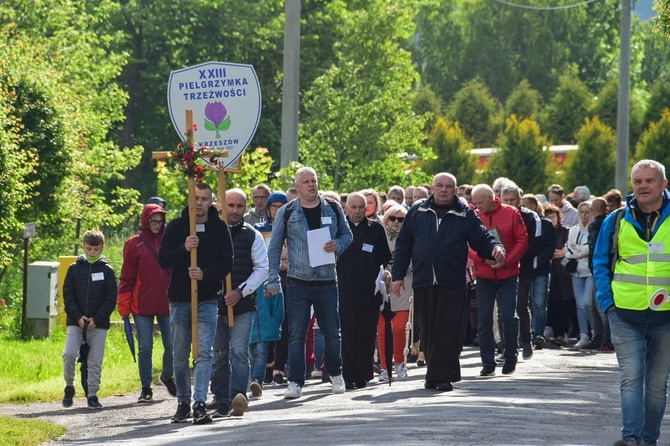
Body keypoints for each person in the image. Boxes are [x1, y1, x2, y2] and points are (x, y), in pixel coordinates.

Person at [392, 173, 505, 391]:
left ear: (455, 190)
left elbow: (483, 238)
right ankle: (434, 374)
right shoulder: (418, 211)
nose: (444, 190)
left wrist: (496, 248)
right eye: (440, 186)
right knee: (428, 330)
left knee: (448, 330)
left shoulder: (465, 213)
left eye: (449, 186)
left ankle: (442, 377)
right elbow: (403, 245)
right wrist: (397, 276)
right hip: (424, 280)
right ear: (432, 188)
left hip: (453, 281)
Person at [593, 160, 670, 446]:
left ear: (663, 184)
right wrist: (607, 302)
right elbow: (600, 261)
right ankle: (632, 439)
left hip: (666, 317)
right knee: (631, 378)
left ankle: (648, 440)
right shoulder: (616, 219)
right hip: (624, 314)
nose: (643, 186)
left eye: (650, 180)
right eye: (638, 181)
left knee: (656, 385)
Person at [265, 167, 352, 399]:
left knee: (332, 331)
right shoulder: (287, 212)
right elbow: (274, 248)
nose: (311, 185)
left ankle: (335, 374)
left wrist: (338, 245)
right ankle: (295, 381)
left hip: (326, 280)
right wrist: (272, 278)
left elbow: (347, 235)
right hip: (297, 282)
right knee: (296, 333)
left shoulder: (332, 208)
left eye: (314, 180)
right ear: (297, 186)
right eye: (306, 182)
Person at [159, 182, 234, 425]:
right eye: (196, 198)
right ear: (190, 200)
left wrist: (205, 274)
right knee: (179, 354)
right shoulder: (177, 226)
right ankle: (183, 402)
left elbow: (227, 263)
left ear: (211, 201)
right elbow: (163, 259)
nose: (200, 202)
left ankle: (199, 402)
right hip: (180, 298)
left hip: (207, 298)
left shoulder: (220, 228)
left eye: (204, 198)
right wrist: (184, 248)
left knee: (203, 352)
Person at [210, 189, 268, 418]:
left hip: (242, 305)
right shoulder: (212, 233)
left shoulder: (252, 234)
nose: (235, 210)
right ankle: (220, 397)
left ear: (246, 208)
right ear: (223, 206)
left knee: (238, 351)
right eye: (231, 205)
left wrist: (240, 292)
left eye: (239, 206)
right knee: (219, 353)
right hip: (214, 303)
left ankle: (237, 396)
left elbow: (262, 269)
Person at [118, 204, 176, 403]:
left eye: (160, 221)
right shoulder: (134, 244)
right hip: (142, 304)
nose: (157, 225)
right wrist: (123, 304)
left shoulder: (171, 240)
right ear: (145, 220)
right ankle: (145, 387)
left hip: (168, 301)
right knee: (145, 346)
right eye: (153, 221)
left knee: (172, 344)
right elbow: (126, 277)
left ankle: (167, 375)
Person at [470, 184, 528, 377]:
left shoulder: (511, 213)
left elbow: (522, 240)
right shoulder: (475, 215)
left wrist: (507, 261)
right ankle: (488, 363)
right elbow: (467, 243)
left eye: (479, 202)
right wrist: (482, 259)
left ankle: (510, 355)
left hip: (508, 275)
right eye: (474, 202)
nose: (476, 205)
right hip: (485, 276)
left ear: (491, 198)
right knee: (484, 320)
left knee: (509, 316)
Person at [337, 192, 391, 389]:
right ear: (346, 208)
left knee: (367, 333)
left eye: (362, 207)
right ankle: (348, 375)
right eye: (354, 207)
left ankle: (364, 374)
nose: (358, 211)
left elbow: (387, 257)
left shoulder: (376, 229)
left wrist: (388, 272)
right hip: (343, 290)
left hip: (369, 291)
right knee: (348, 332)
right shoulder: (338, 228)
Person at [62, 230, 117, 409]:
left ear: (102, 248)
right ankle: (69, 386)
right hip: (76, 322)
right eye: (89, 249)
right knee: (69, 354)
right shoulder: (74, 269)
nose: (92, 252)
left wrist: (97, 319)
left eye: (96, 249)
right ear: (84, 247)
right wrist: (78, 317)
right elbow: (67, 295)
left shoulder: (107, 271)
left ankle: (92, 394)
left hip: (98, 324)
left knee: (95, 361)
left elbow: (110, 299)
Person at [500, 183, 542, 360]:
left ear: (519, 199)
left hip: (523, 268)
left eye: (512, 199)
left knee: (520, 305)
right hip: (501, 268)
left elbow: (535, 245)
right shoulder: (497, 215)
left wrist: (513, 255)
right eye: (506, 200)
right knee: (503, 310)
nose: (509, 203)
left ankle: (526, 340)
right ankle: (507, 347)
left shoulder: (531, 217)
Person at [254, 191, 290, 386]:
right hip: (265, 281)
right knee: (266, 322)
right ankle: (266, 366)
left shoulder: (291, 229)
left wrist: (285, 263)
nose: (277, 210)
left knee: (284, 324)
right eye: (273, 206)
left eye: (280, 206)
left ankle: (279, 368)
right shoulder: (259, 229)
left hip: (288, 280)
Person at [378, 203, 411, 382]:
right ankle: (384, 368)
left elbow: (416, 259)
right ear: (386, 219)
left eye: (401, 219)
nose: (396, 222)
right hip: (381, 286)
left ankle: (400, 364)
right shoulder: (379, 235)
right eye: (393, 218)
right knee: (382, 331)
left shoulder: (411, 236)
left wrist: (398, 267)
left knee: (399, 328)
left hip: (403, 286)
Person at [520, 194, 555, 349]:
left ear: (534, 206)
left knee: (539, 303)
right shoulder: (521, 222)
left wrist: (537, 261)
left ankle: (538, 334)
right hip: (523, 268)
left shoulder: (546, 224)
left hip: (540, 269)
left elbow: (549, 246)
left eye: (526, 205)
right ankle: (524, 333)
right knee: (523, 303)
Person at [544, 205, 575, 346]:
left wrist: (563, 251)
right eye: (548, 216)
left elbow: (570, 246)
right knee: (552, 303)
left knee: (565, 303)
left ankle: (563, 333)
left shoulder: (565, 231)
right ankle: (555, 332)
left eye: (553, 216)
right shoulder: (545, 231)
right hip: (550, 271)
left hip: (564, 272)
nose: (551, 219)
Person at [565, 201, 593, 349]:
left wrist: (580, 251)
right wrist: (580, 251)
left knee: (588, 303)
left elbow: (590, 249)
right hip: (576, 271)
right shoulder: (574, 230)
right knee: (579, 304)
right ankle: (584, 335)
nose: (584, 215)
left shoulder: (594, 229)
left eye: (587, 212)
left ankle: (595, 332)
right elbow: (569, 249)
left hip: (589, 271)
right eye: (582, 212)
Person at [586, 197, 613, 352]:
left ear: (592, 210)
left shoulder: (595, 226)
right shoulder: (609, 223)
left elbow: (595, 250)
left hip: (598, 270)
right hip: (602, 269)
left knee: (600, 307)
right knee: (593, 306)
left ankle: (606, 340)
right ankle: (599, 338)